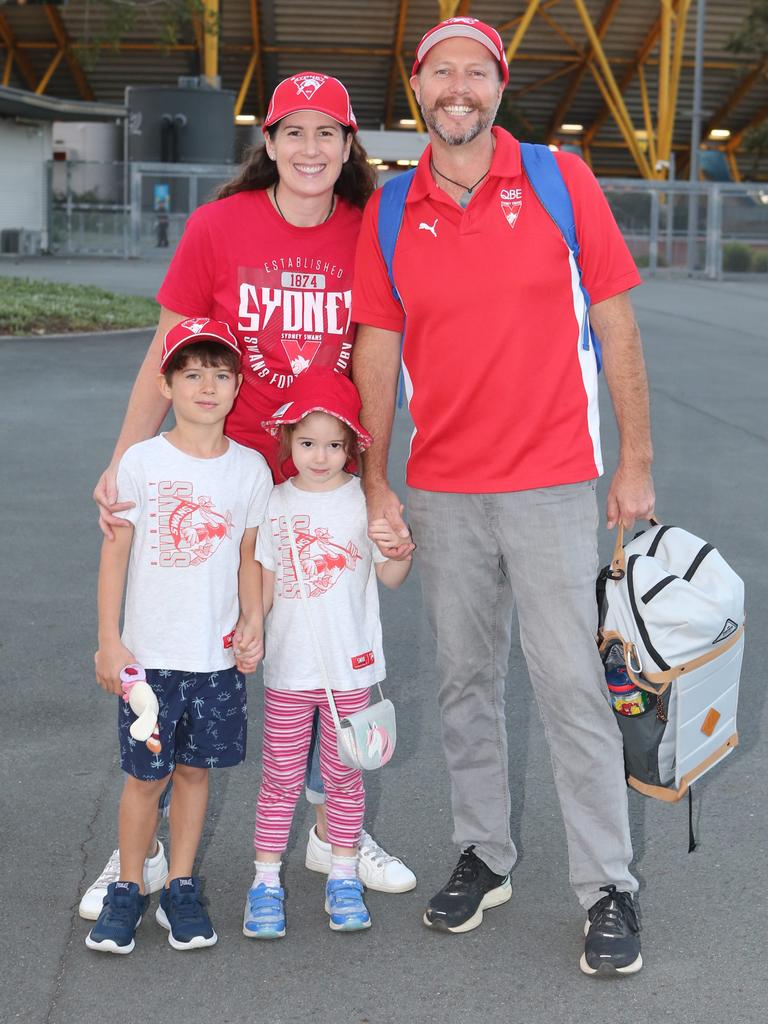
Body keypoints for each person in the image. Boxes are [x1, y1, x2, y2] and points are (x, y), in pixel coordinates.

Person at [351, 17, 654, 976]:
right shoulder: (392, 209)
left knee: (571, 691)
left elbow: (614, 321)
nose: (457, 88)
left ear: (497, 85)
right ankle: (485, 852)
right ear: (419, 88)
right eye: (440, 72)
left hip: (555, 483)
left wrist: (635, 459)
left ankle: (609, 885)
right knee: (464, 685)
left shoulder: (561, 183)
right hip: (443, 492)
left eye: (474, 72)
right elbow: (378, 348)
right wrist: (374, 477)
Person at [80, 71, 414, 923]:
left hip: (317, 479)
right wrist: (123, 462)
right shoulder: (218, 225)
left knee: (321, 653)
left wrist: (374, 483)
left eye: (327, 133)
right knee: (182, 650)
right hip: (225, 474)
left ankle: (330, 832)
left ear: (349, 148)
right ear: (266, 144)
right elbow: (167, 346)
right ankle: (140, 853)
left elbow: (377, 365)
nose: (309, 149)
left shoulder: (368, 229)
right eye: (291, 132)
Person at [86, 319, 273, 954]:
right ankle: (129, 887)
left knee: (196, 773)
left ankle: (182, 887)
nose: (207, 386)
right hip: (149, 662)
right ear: (166, 384)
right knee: (146, 779)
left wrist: (253, 623)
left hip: (215, 661)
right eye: (192, 374)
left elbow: (251, 556)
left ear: (237, 386)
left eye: (221, 375)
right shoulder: (141, 461)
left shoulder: (250, 470)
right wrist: (110, 643)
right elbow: (115, 556)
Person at [243, 371, 412, 938]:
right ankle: (265, 882)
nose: (320, 456)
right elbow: (263, 586)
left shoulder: (366, 502)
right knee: (280, 780)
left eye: (334, 444)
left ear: (353, 447)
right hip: (289, 671)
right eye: (308, 442)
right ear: (288, 440)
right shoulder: (274, 504)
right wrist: (250, 628)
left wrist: (401, 547)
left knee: (344, 779)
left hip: (350, 673)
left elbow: (389, 577)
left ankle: (343, 875)